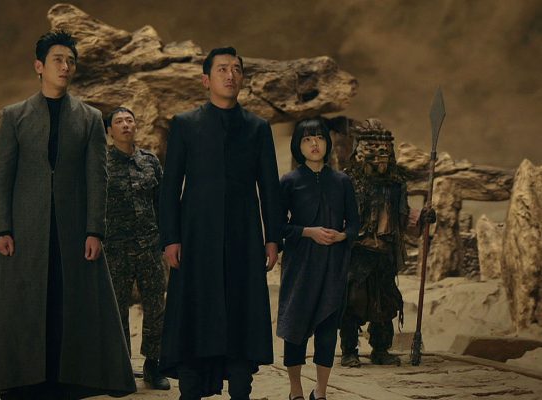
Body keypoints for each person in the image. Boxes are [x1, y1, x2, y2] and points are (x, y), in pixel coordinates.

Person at [0, 31, 136, 400]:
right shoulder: (15, 116)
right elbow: (2, 175)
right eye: (58, 59)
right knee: (23, 305)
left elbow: (97, 179)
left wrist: (95, 230)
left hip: (74, 231)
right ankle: (22, 381)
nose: (65, 66)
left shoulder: (90, 118)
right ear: (39, 66)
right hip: (23, 231)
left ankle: (71, 382)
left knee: (69, 303)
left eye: (71, 61)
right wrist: (1, 228)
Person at [159, 46, 281, 399]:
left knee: (242, 312)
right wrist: (170, 238)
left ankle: (241, 388)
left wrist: (272, 238)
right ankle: (191, 388)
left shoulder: (257, 128)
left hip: (244, 237)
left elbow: (269, 187)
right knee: (194, 311)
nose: (231, 75)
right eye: (223, 69)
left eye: (237, 69)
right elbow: (171, 187)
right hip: (195, 237)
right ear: (206, 80)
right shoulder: (185, 124)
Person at [339, 118, 436, 368]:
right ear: (360, 150)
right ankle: (349, 351)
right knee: (351, 302)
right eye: (373, 148)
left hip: (384, 253)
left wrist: (422, 218)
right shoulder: (347, 181)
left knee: (385, 302)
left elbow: (402, 217)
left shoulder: (395, 184)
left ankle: (381, 349)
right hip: (356, 253)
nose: (379, 153)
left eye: (384, 149)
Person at [278, 119, 359, 400]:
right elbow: (278, 227)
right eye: (306, 139)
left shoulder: (342, 181)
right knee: (295, 327)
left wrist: (341, 236)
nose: (314, 144)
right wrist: (308, 232)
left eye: (320, 138)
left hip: (333, 264)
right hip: (300, 265)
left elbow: (354, 224)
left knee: (327, 329)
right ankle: (296, 391)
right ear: (298, 146)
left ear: (328, 143)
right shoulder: (289, 181)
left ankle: (321, 391)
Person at [103, 106, 170, 390]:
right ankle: (119, 368)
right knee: (116, 309)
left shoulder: (150, 161)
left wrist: (167, 241)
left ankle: (153, 365)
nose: (125, 125)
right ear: (109, 131)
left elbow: (162, 203)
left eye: (129, 120)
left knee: (156, 308)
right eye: (119, 121)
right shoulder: (101, 163)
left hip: (149, 247)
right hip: (114, 249)